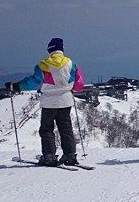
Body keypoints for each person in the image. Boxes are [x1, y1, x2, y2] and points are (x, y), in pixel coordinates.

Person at [5, 38, 85, 166]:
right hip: (66, 101)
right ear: (62, 49)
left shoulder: (43, 65)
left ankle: (49, 156)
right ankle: (70, 156)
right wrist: (70, 89)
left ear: (50, 50)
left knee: (47, 129)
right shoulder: (71, 64)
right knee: (66, 128)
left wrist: (16, 86)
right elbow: (79, 84)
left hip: (49, 102)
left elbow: (33, 82)